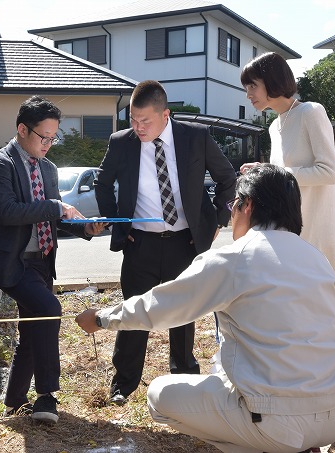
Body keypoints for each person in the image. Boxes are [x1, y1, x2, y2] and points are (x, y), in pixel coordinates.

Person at [77, 164, 335, 453]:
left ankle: (275, 447)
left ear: (247, 205)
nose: (231, 214)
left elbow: (163, 306)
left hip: (278, 419)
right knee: (223, 369)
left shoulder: (234, 258)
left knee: (158, 395)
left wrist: (102, 318)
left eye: (233, 204)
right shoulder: (315, 256)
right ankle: (299, 445)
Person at [94, 80, 237, 405]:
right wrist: (119, 223)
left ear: (166, 115)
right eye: (133, 119)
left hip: (185, 244)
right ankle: (124, 384)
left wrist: (217, 222)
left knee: (184, 316)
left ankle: (184, 378)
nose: (138, 127)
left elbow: (227, 179)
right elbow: (102, 184)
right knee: (132, 314)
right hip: (139, 243)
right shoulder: (122, 142)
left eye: (145, 121)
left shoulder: (195, 137)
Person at [0, 95, 106, 424]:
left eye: (54, 137)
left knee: (33, 332)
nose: (49, 144)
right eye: (43, 136)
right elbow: (7, 213)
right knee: (49, 309)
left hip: (43, 260)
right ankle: (47, 396)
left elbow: (55, 217)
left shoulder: (48, 168)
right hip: (13, 264)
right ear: (22, 129)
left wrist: (85, 226)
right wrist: (55, 207)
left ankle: (14, 402)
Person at [239, 52, 335, 310]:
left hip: (317, 223)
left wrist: (273, 169)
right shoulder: (273, 126)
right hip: (289, 226)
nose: (248, 94)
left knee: (320, 305)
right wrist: (265, 172)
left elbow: (329, 172)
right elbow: (284, 174)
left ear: (272, 80)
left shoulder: (310, 111)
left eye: (253, 86)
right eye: (246, 88)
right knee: (295, 308)